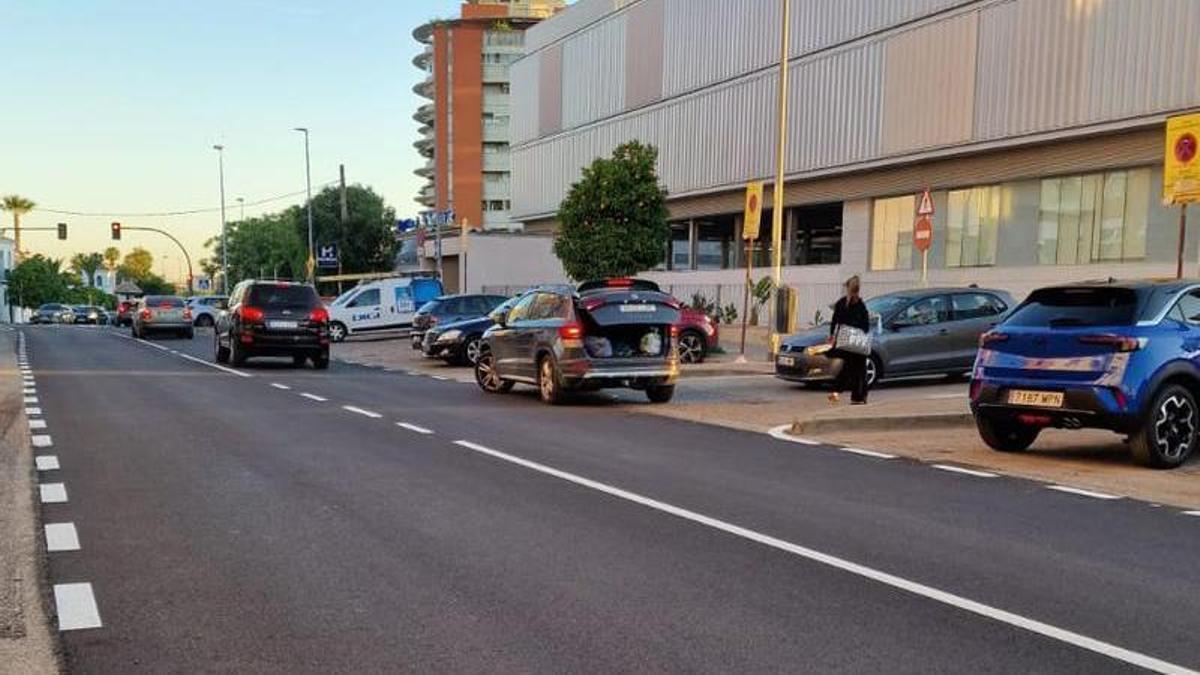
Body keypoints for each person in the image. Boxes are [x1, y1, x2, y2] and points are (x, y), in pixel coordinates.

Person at [828, 275, 870, 405]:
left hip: (844, 340)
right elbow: (866, 326)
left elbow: (835, 322)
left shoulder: (841, 304)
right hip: (857, 343)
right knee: (860, 370)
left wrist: (832, 336)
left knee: (847, 367)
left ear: (848, 288)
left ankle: (836, 391)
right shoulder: (861, 306)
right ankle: (858, 396)